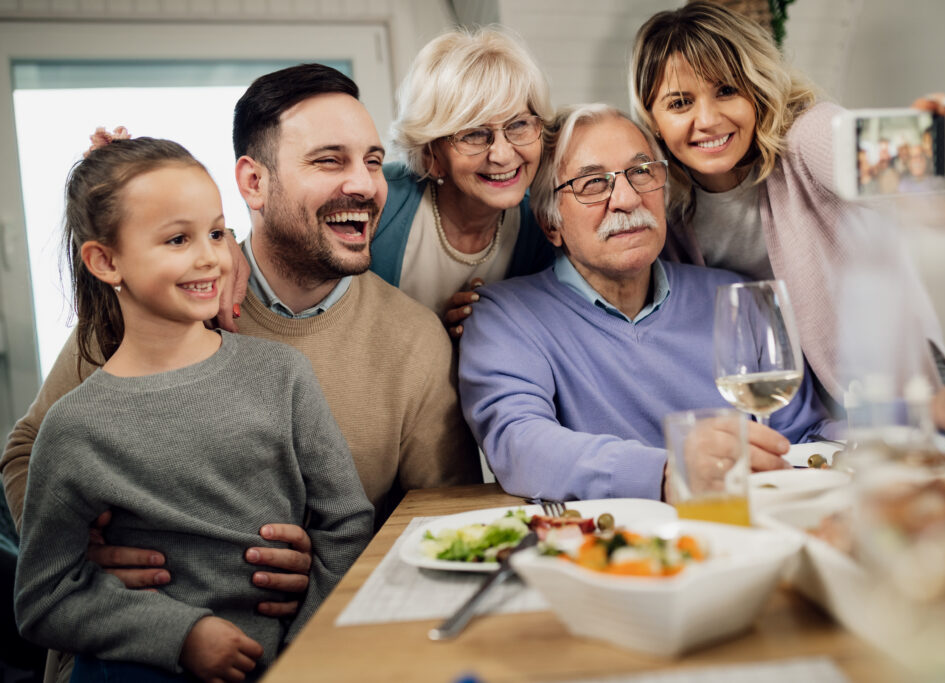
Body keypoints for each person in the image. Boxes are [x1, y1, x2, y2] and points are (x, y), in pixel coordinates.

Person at [2, 64, 480, 680]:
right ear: (253, 182)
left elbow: (438, 525)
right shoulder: (150, 311)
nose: (365, 185)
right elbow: (27, 453)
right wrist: (86, 557)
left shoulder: (412, 339)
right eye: (329, 161)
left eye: (371, 160)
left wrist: (335, 577)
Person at [14, 133, 373, 682]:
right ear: (105, 261)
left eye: (215, 231)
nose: (210, 255)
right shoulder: (72, 429)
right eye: (178, 239)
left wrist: (303, 654)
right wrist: (181, 639)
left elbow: (345, 523)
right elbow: (43, 598)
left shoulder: (282, 375)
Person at [458, 104, 836, 502]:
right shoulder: (504, 318)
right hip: (612, 554)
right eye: (592, 184)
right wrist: (666, 472)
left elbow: (806, 437)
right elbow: (521, 445)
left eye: (641, 172)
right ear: (551, 224)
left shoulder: (738, 297)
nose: (626, 198)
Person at [629, 1, 945, 411]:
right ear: (652, 117)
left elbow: (874, 163)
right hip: (793, 412)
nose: (707, 119)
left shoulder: (804, 135)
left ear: (756, 89)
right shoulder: (663, 200)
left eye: (726, 90)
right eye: (680, 103)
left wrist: (935, 164)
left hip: (889, 382)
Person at [373, 27, 555, 338]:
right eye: (473, 133)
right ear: (432, 152)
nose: (501, 154)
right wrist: (436, 337)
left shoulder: (543, 224)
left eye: (519, 124)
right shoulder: (378, 200)